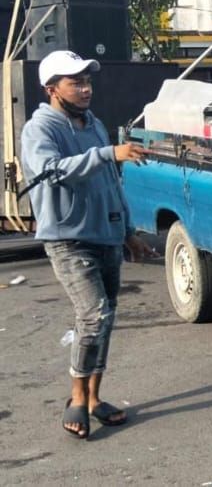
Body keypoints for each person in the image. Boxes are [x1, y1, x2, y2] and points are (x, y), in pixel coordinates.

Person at [20, 50, 153, 439]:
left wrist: (128, 230)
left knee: (106, 317)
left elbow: (111, 181)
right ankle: (76, 397)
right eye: (75, 82)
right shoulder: (40, 128)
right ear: (51, 89)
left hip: (106, 234)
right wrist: (108, 152)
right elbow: (53, 171)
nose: (85, 88)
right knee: (93, 315)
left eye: (87, 81)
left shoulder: (92, 123)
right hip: (68, 238)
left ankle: (94, 398)